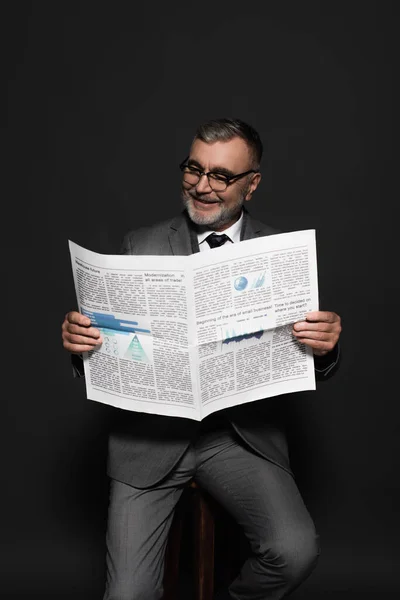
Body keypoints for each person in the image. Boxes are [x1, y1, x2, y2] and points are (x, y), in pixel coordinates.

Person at [61, 118, 342, 600]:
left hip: (236, 438)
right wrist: (83, 343)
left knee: (295, 551)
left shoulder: (281, 254)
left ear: (252, 184)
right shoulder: (140, 244)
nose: (203, 186)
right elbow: (114, 347)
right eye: (194, 169)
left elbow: (306, 353)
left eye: (221, 176)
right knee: (128, 595)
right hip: (149, 442)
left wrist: (326, 346)